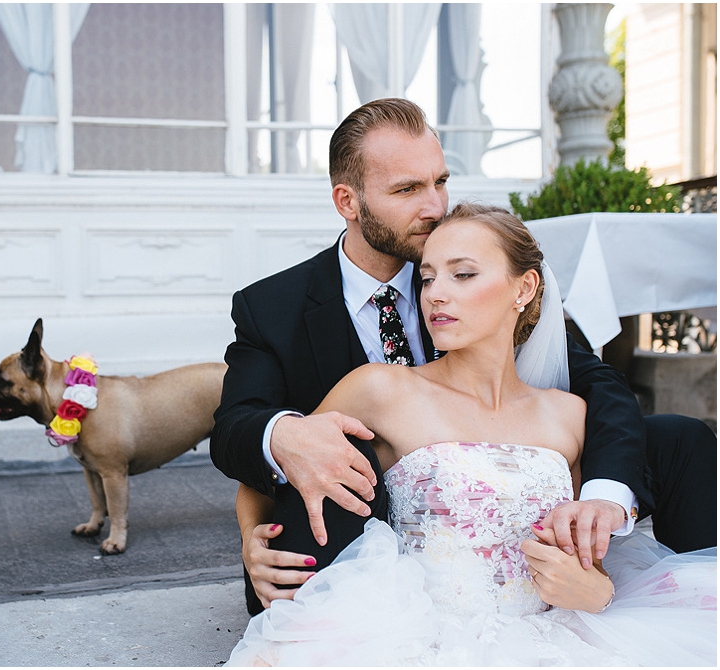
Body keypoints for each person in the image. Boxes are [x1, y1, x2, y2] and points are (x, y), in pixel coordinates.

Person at [210, 98, 717, 616]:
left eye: (440, 181)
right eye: (408, 189)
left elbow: (596, 383)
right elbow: (237, 429)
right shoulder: (273, 307)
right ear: (348, 201)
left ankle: (697, 600)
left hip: (498, 489)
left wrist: (609, 494)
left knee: (680, 438)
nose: (435, 206)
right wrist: (265, 499)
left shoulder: (478, 274)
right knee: (333, 447)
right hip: (357, 518)